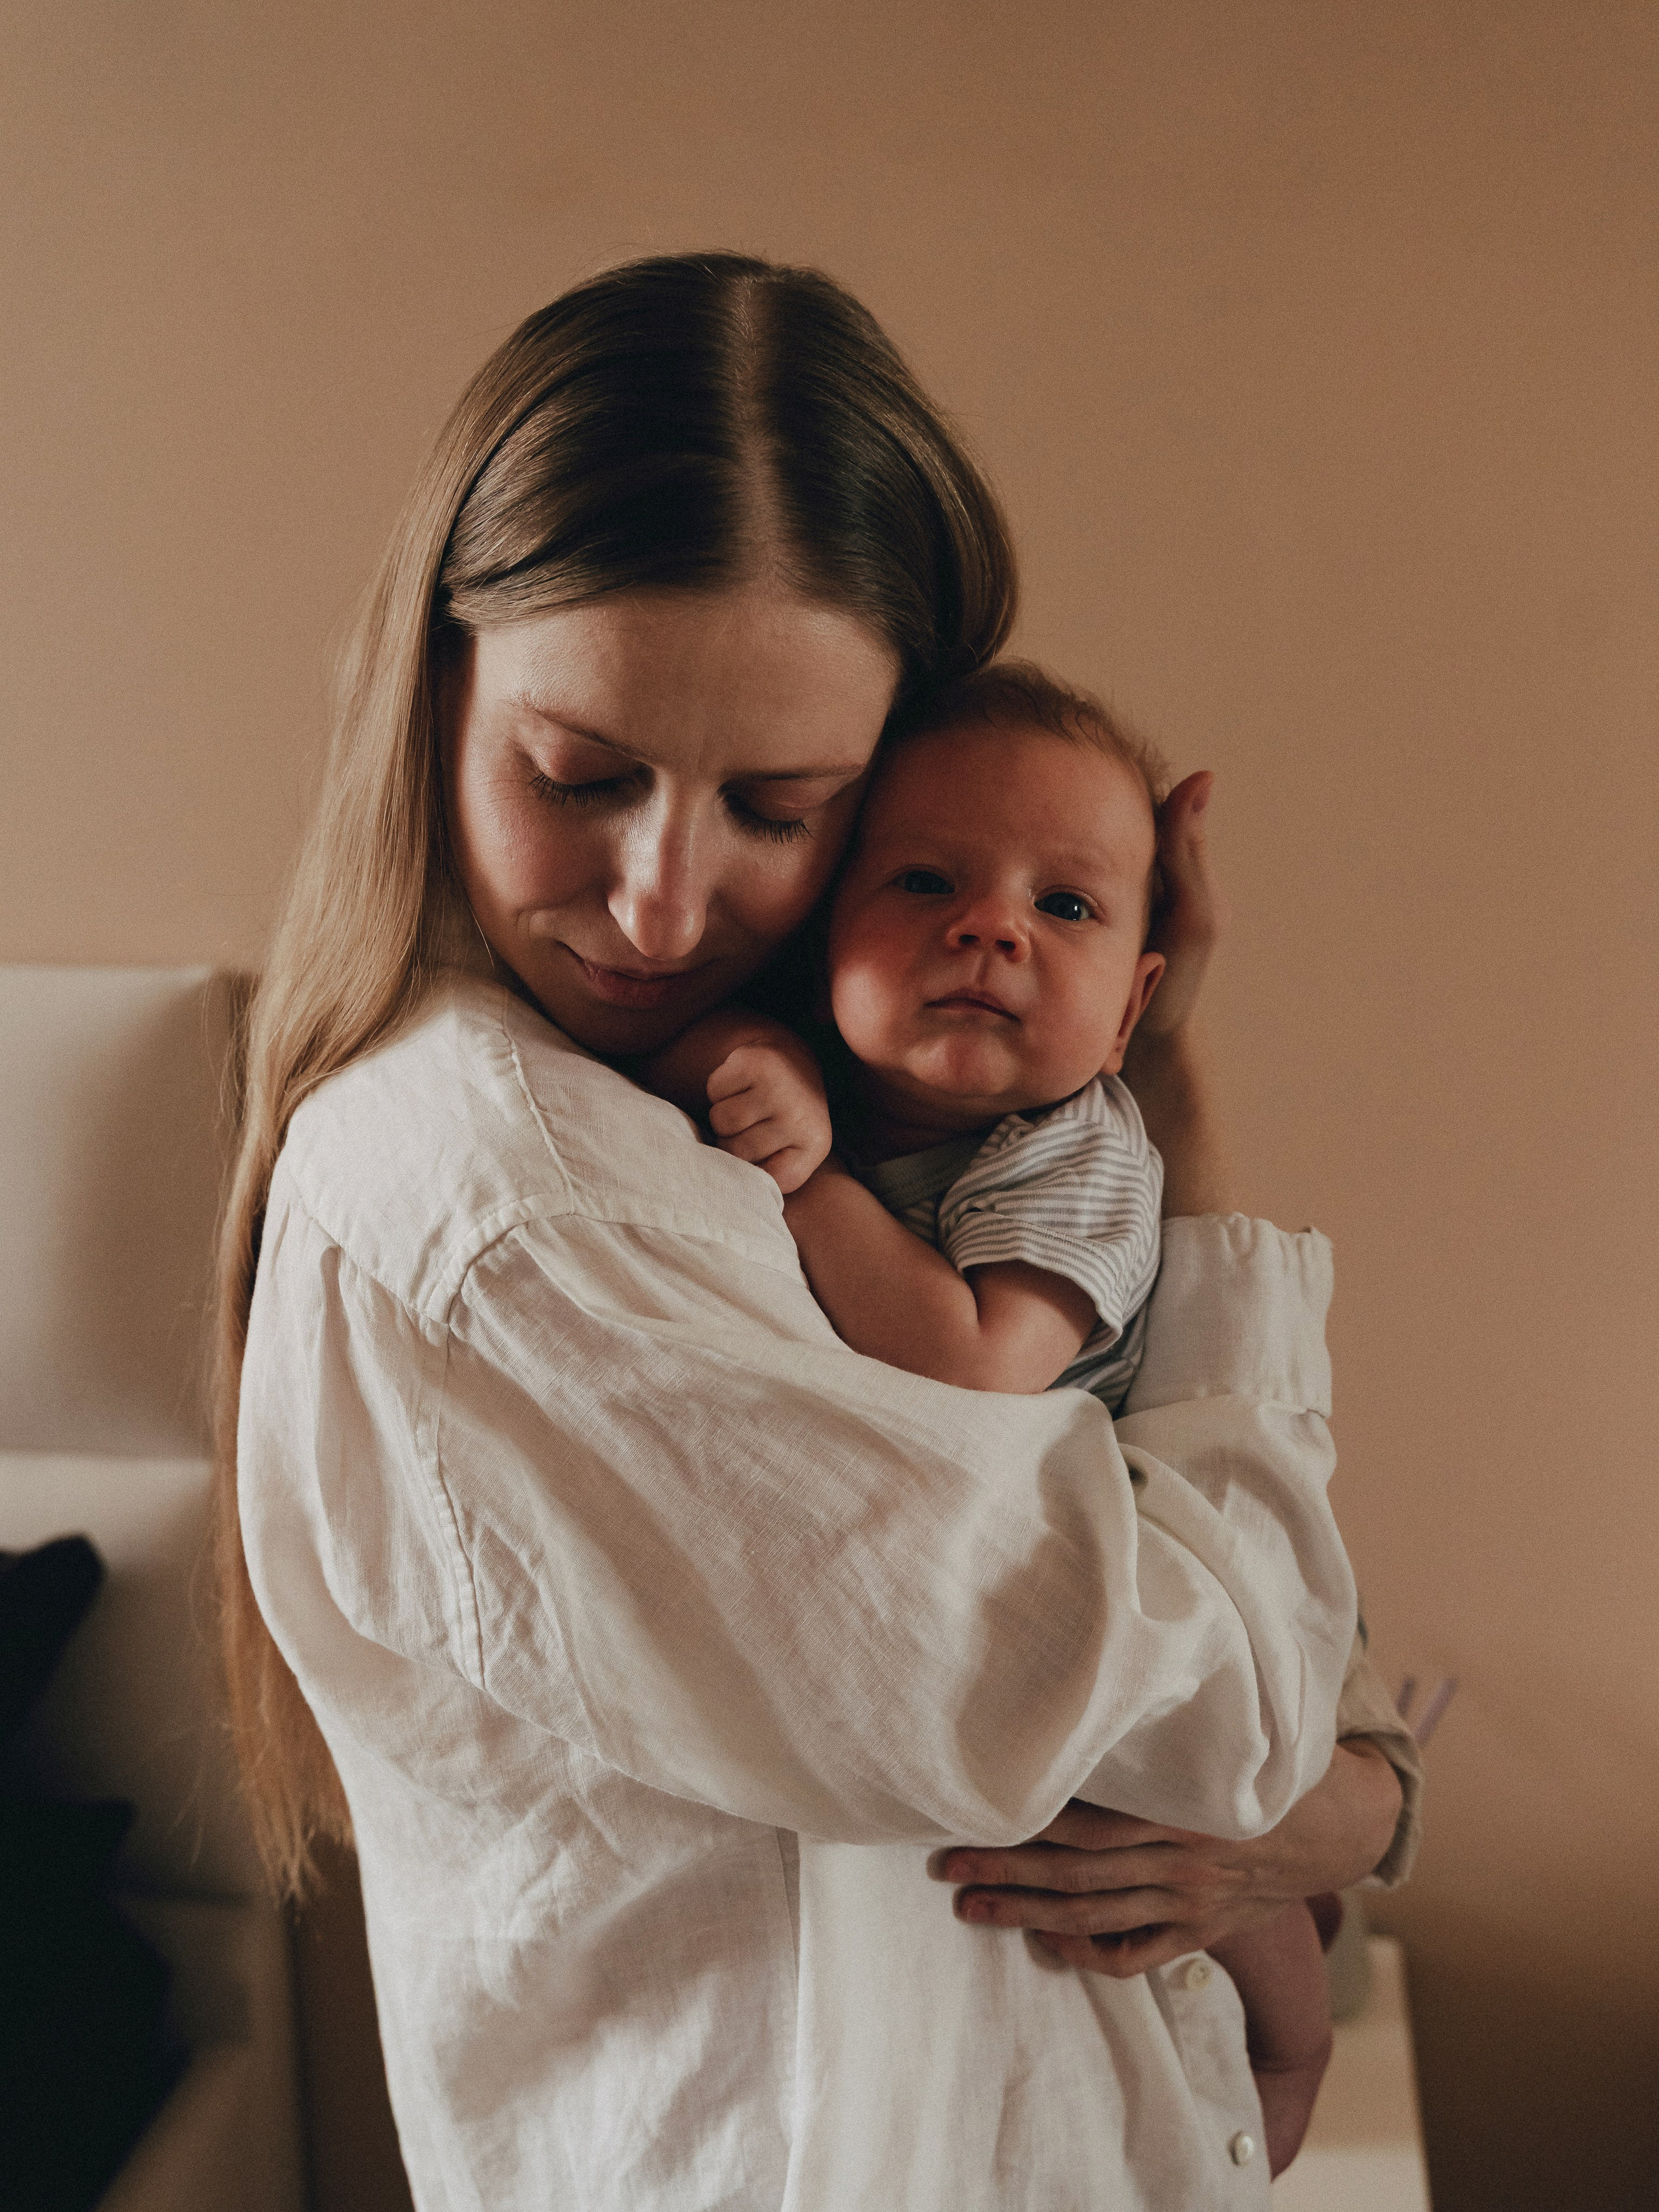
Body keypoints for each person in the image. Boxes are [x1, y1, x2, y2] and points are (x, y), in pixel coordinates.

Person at [214, 252, 1420, 2212]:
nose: (664, 901)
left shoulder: (770, 1112)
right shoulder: (507, 1208)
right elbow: (1209, 1707)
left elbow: (1292, 1732)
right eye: (577, 775)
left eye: (781, 805)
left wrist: (1130, 1076)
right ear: (430, 694)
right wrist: (1327, 1795)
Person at [637, 658, 1340, 2172]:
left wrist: (803, 1179)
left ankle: (1293, 2033)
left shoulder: (1073, 1153)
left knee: (1213, 1835)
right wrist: (739, 1065)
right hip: (976, 1631)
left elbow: (969, 1366)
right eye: (923, 880)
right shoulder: (823, 1068)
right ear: (825, 924)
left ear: (1133, 1006)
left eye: (1065, 909)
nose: (989, 926)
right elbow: (674, 1059)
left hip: (1133, 1571)